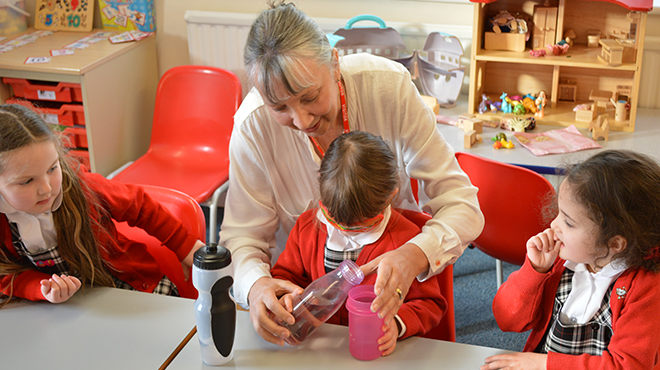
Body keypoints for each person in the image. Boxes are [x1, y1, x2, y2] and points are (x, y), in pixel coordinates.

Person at [219, 0, 483, 346]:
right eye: (280, 108)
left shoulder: (387, 86)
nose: (302, 121)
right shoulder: (252, 127)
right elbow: (242, 238)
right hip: (311, 328)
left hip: (389, 320)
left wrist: (414, 253)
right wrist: (256, 286)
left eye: (310, 97)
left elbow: (462, 206)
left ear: (334, 62)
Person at [0, 104, 205, 304]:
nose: (46, 188)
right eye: (27, 181)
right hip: (67, 307)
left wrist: (185, 247)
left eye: (53, 168)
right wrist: (39, 287)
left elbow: (140, 206)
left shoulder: (83, 186)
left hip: (126, 284)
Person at [271, 131, 446, 355]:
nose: (345, 230)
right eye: (334, 219)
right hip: (318, 353)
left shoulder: (407, 242)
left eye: (360, 225)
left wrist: (398, 324)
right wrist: (284, 297)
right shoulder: (308, 227)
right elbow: (284, 277)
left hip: (374, 353)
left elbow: (430, 304)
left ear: (390, 197)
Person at [482, 150, 660, 370]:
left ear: (614, 244)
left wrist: (545, 364)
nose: (554, 226)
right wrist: (534, 271)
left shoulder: (646, 287)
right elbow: (506, 319)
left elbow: (628, 366)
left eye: (569, 223)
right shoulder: (564, 260)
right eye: (558, 213)